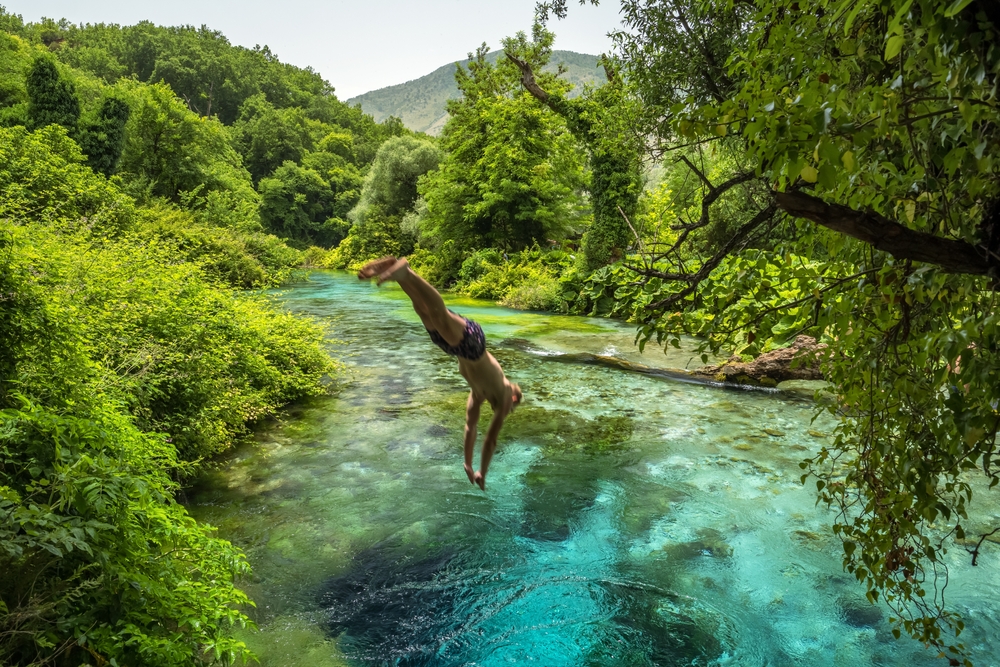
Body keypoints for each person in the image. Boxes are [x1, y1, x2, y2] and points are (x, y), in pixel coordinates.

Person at [358, 256, 522, 491]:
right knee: (439, 313)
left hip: (455, 349)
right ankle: (407, 270)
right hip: (473, 344)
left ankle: (399, 275)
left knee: (423, 312)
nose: (507, 412)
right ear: (514, 399)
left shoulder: (477, 394)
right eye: (512, 409)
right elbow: (490, 440)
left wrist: (467, 462)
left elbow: (471, 427)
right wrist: (482, 472)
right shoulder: (506, 394)